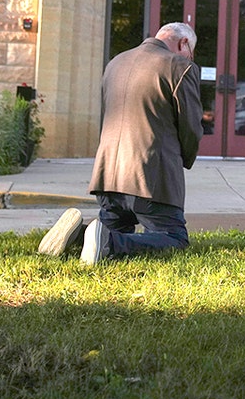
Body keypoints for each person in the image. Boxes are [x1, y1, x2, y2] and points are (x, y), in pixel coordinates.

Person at [39, 22, 203, 264]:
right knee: (174, 238)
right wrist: (185, 159)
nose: (190, 57)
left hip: (109, 176)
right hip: (151, 178)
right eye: (191, 52)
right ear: (183, 43)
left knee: (110, 227)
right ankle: (109, 244)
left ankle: (80, 236)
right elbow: (190, 127)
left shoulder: (115, 63)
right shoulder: (179, 66)